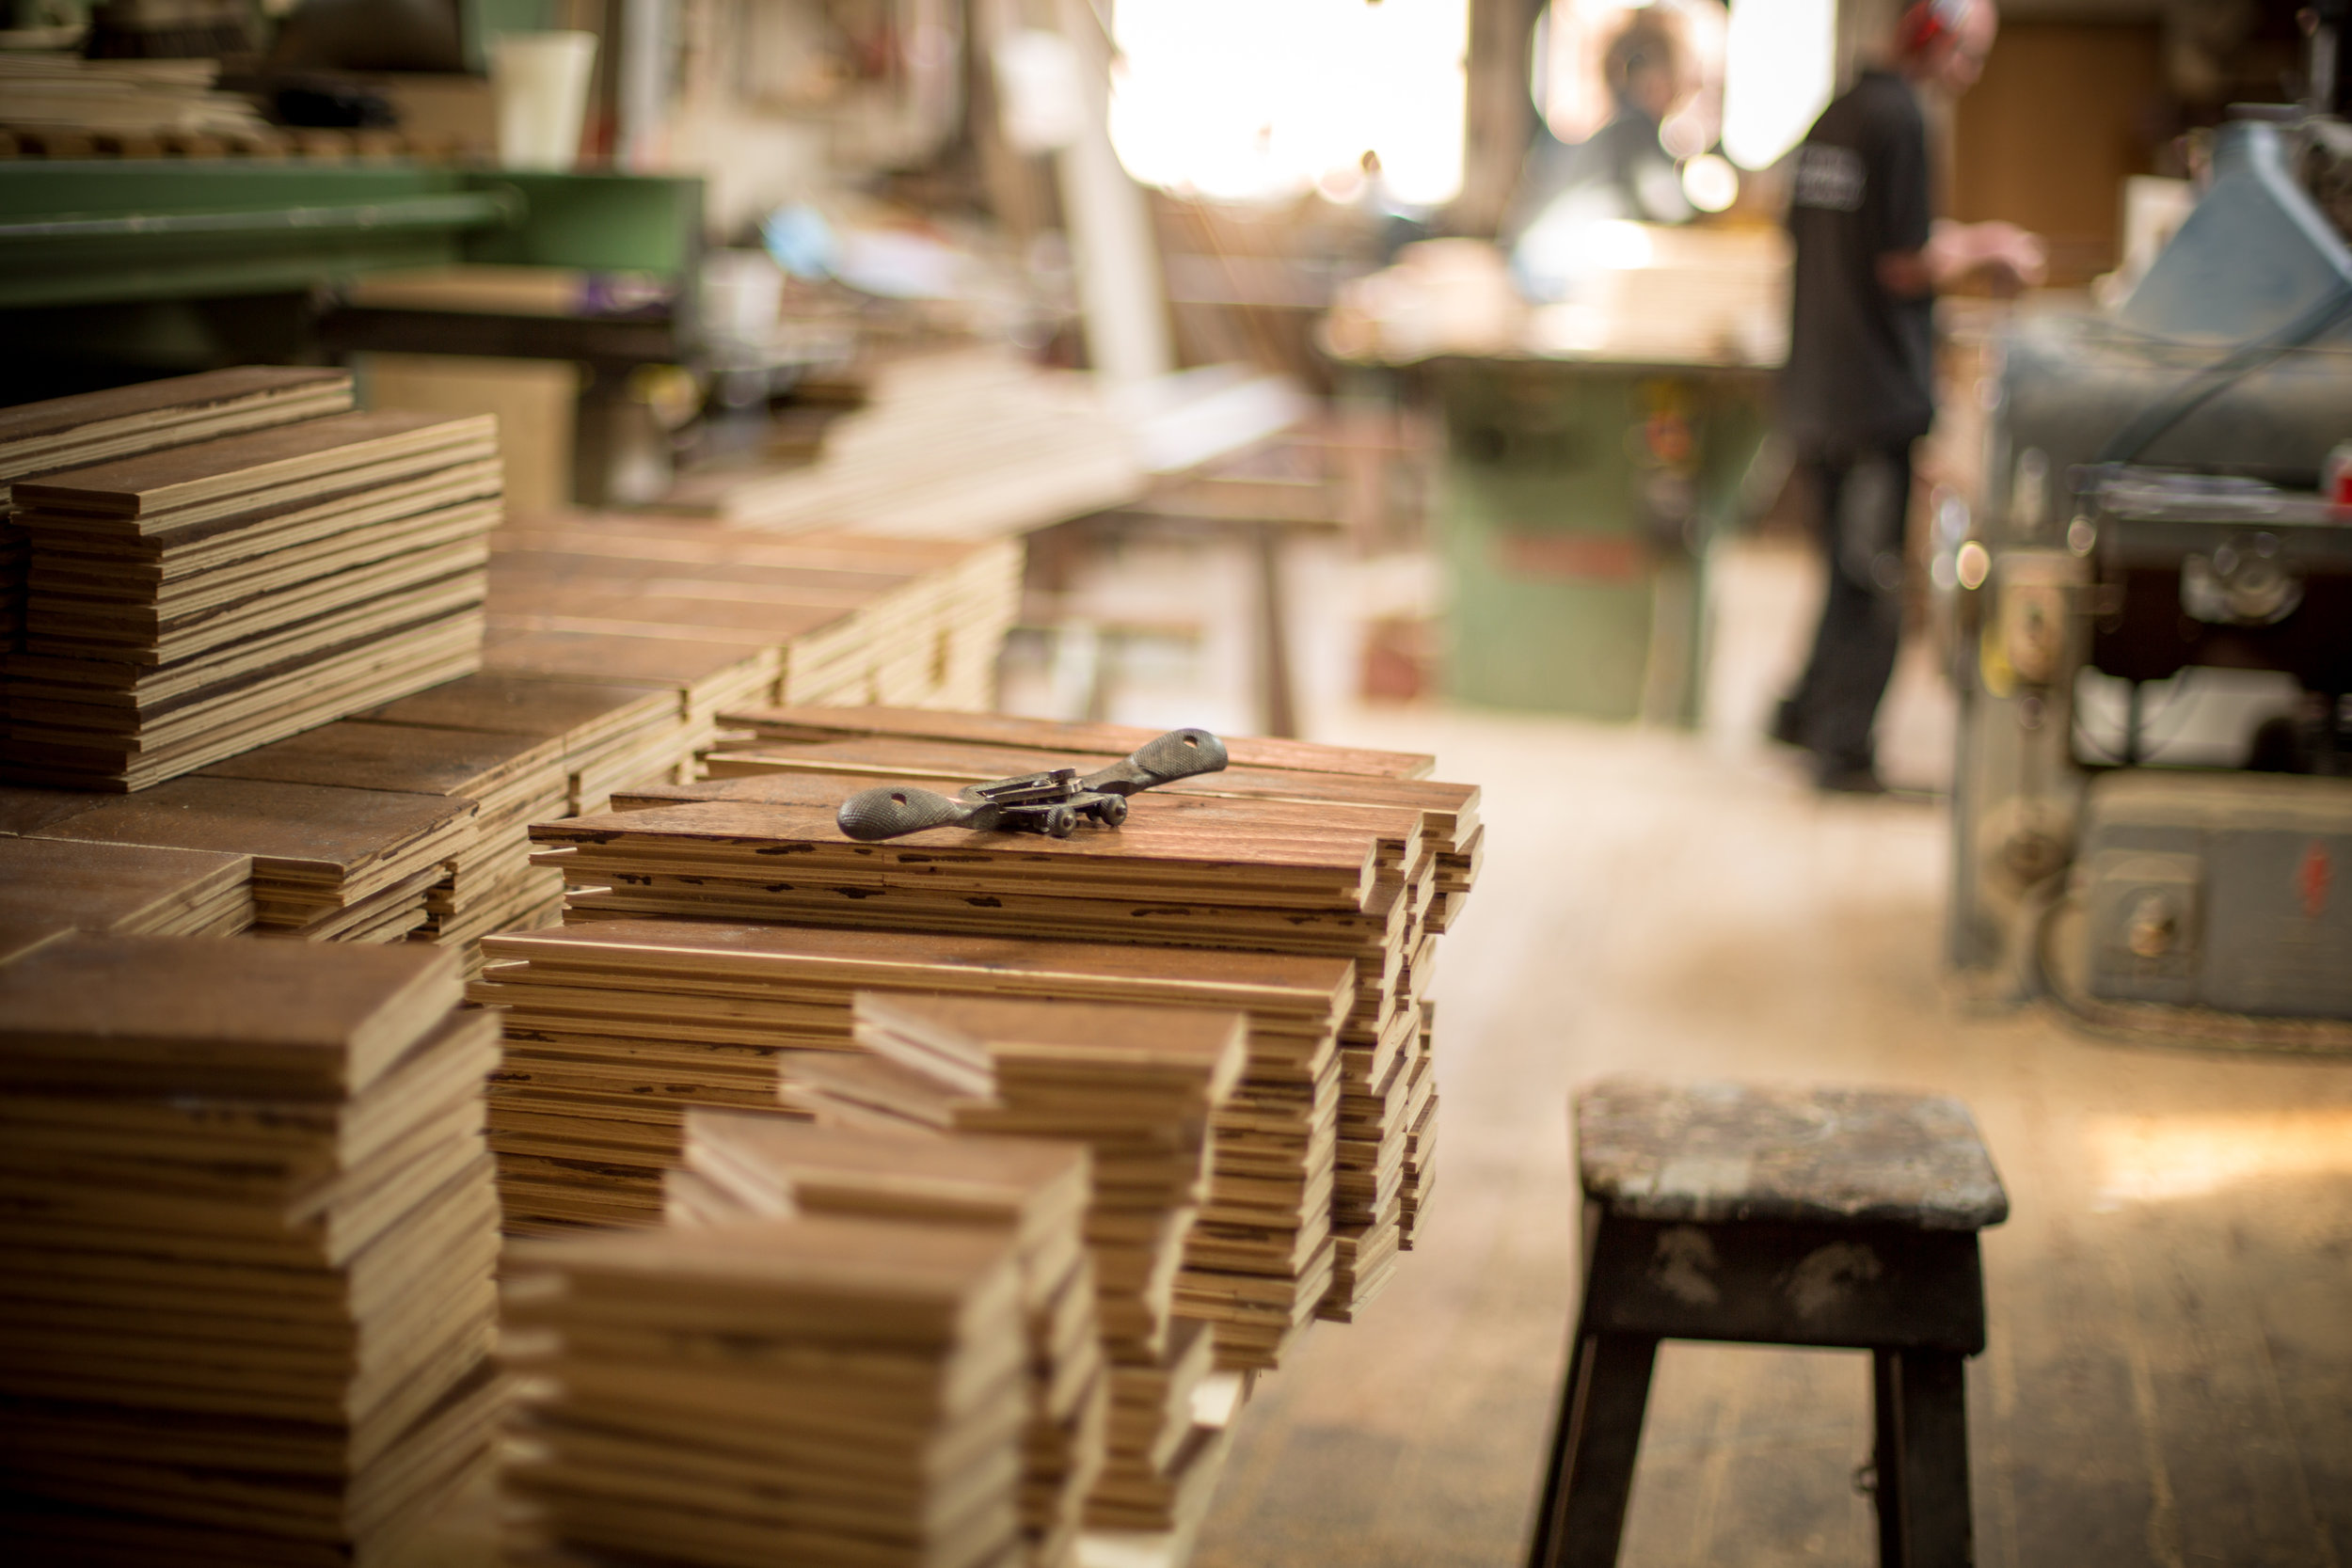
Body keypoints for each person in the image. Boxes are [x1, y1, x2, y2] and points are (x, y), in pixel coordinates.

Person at [1771, 0, 2044, 792]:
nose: (1973, 74)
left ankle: (1800, 711)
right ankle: (1841, 747)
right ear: (1940, 42)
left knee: (1838, 566)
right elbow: (1900, 258)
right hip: (1873, 391)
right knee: (1873, 577)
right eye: (1973, 55)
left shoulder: (1838, 116)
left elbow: (1839, 237)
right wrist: (1989, 244)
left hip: (1818, 382)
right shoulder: (1903, 122)